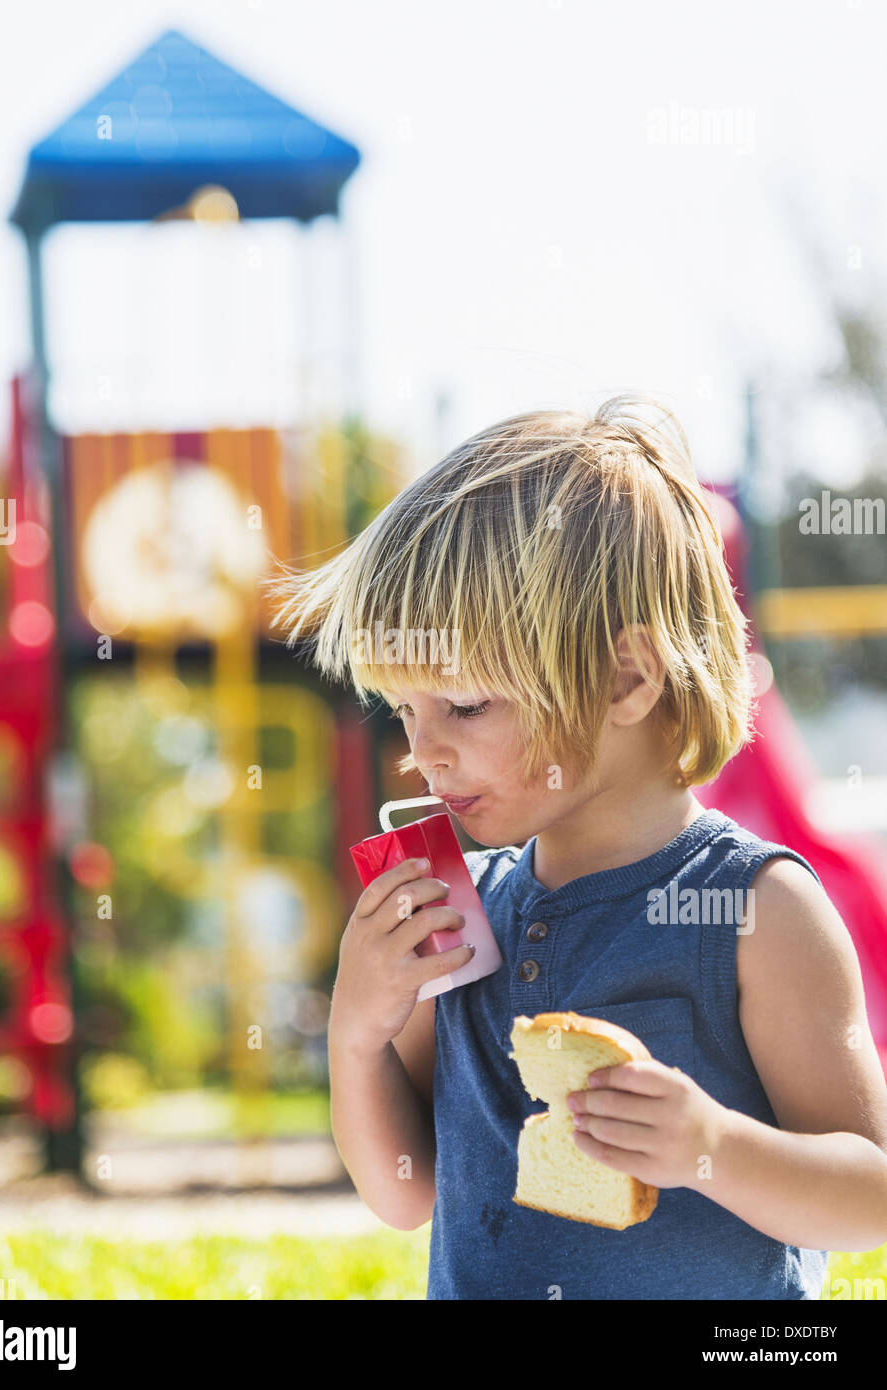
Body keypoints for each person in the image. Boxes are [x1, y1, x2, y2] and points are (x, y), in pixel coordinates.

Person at [264, 393, 887, 1299]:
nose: (421, 749)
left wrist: (713, 1149)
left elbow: (868, 1199)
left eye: (465, 705)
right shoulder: (457, 903)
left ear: (626, 676)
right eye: (405, 710)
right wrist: (357, 1036)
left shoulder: (757, 909)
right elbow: (406, 1195)